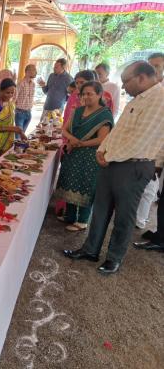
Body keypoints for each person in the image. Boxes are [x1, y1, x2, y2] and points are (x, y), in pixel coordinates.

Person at [64, 61, 164, 275]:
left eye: (126, 81)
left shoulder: (159, 99)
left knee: (123, 217)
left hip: (133, 165)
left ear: (142, 78)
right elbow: (118, 132)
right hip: (113, 161)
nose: (123, 86)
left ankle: (114, 258)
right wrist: (103, 149)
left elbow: (140, 139)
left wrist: (108, 155)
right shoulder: (138, 99)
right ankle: (90, 250)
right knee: (100, 210)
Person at [55, 81, 114, 231]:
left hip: (90, 156)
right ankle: (69, 216)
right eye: (83, 94)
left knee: (85, 186)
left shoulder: (104, 115)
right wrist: (72, 139)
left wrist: (80, 143)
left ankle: (82, 221)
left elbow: (102, 139)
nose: (86, 97)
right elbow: (64, 129)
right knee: (70, 183)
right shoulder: (78, 111)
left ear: (99, 94)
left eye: (90, 94)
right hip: (73, 153)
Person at [134, 52, 164, 229]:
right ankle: (138, 219)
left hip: (156, 154)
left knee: (150, 189)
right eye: (150, 66)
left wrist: (158, 161)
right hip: (141, 151)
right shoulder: (145, 90)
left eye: (157, 66)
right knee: (143, 189)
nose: (153, 70)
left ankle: (140, 220)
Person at [0, 78, 27, 157]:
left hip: (7, 141)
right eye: (7, 92)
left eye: (12, 93)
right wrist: (13, 129)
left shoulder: (9, 103)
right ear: (0, 91)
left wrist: (20, 132)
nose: (10, 95)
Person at [15, 64, 37, 135]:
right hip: (20, 113)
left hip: (29, 112)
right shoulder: (21, 83)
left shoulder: (33, 84)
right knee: (18, 136)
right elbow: (14, 97)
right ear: (27, 72)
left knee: (23, 136)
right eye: (34, 70)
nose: (36, 72)